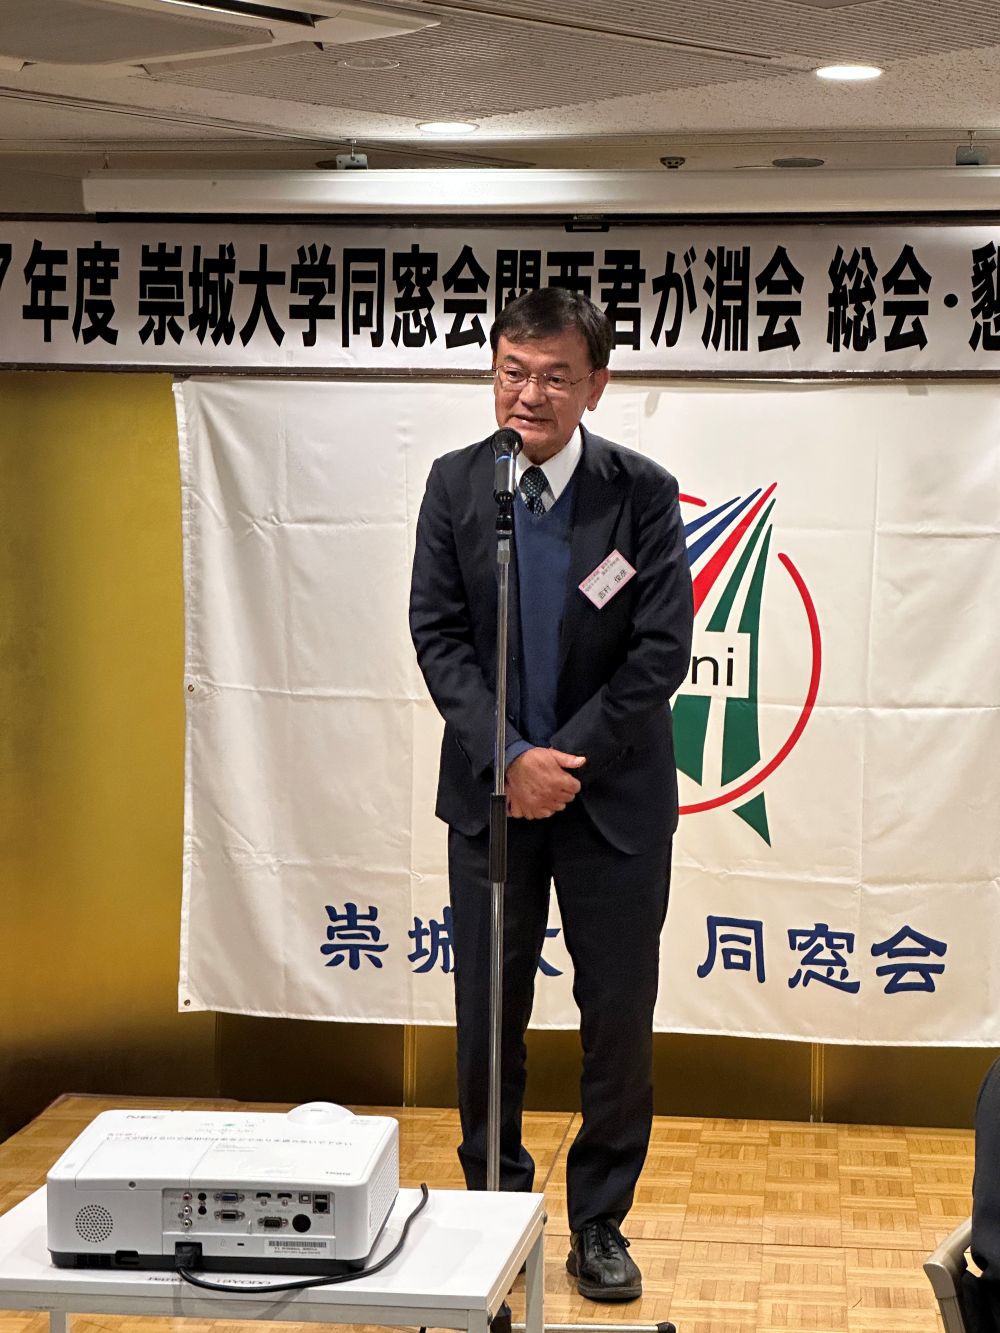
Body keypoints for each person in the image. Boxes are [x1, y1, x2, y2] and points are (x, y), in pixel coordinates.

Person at [409, 286, 693, 1301]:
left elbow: (660, 651)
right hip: (492, 802)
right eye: (511, 372)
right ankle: (495, 1210)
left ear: (596, 385)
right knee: (489, 1013)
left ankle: (600, 1220)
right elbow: (438, 634)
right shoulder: (457, 485)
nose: (528, 395)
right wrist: (507, 759)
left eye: (554, 377)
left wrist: (555, 761)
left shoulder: (639, 493)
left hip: (609, 801)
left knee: (616, 1016)